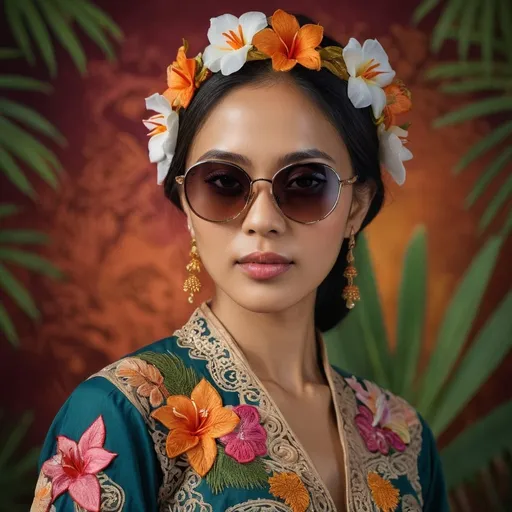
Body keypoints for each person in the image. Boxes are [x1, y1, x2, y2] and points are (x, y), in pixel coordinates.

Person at [31, 9, 448, 512]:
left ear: (356, 207)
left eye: (306, 184)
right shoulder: (120, 416)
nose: (262, 220)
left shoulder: (403, 436)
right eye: (225, 183)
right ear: (186, 204)